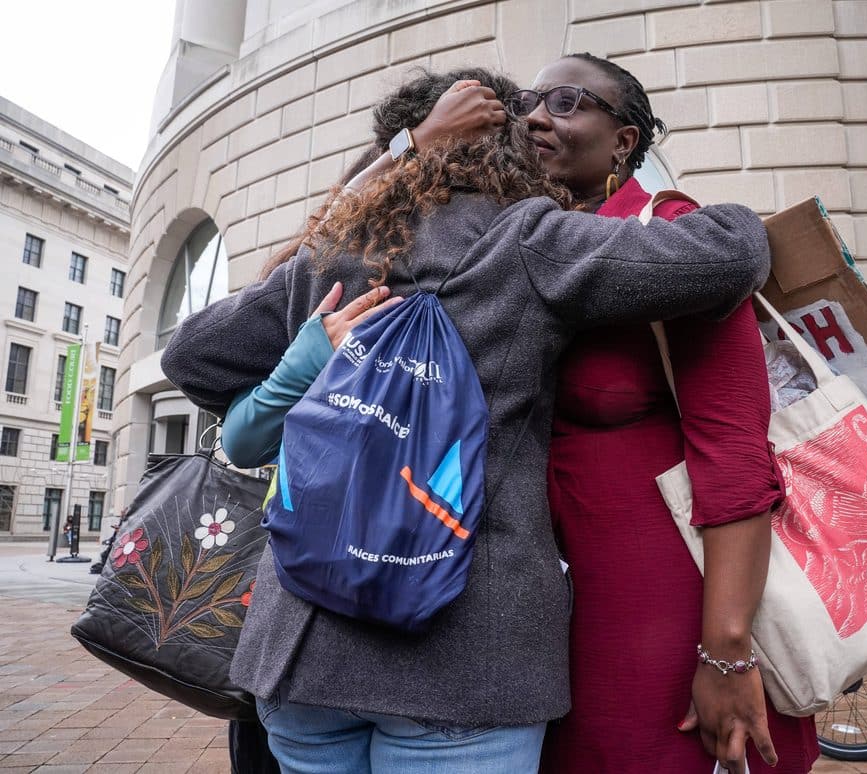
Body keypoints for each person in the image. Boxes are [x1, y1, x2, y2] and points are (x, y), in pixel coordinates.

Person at [160, 67, 771, 774]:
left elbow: (192, 357)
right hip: (466, 659)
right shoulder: (533, 241)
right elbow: (734, 251)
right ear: (509, 146)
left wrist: (396, 157)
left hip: (302, 649)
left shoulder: (334, 254)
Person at [509, 54, 819, 774]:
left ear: (623, 140)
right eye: (528, 101)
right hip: (549, 612)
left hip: (666, 606)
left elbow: (734, 450)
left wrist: (725, 651)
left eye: (564, 101)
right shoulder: (527, 247)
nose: (534, 117)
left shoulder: (672, 238)